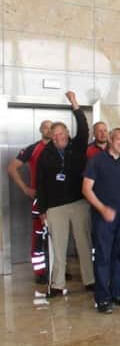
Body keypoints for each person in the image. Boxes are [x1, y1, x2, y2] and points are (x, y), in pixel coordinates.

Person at [36, 91, 95, 296]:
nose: (60, 138)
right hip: (55, 208)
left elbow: (84, 127)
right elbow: (40, 184)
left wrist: (75, 104)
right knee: (58, 248)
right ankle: (58, 284)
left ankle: (90, 280)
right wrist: (42, 210)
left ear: (67, 133)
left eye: (62, 134)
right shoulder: (45, 155)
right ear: (52, 137)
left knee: (84, 244)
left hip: (79, 203)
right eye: (56, 136)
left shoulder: (77, 146)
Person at [82, 128, 120, 313]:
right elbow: (86, 189)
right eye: (119, 139)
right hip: (102, 218)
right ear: (111, 140)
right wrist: (103, 209)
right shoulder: (96, 161)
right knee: (103, 257)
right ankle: (102, 299)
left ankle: (117, 293)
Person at [7, 119, 52, 283]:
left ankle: (55, 268)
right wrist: (25, 189)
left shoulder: (61, 148)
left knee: (57, 237)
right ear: (40, 130)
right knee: (39, 236)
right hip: (39, 200)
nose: (48, 130)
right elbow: (11, 167)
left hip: (57, 201)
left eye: (51, 127)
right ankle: (40, 272)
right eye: (45, 127)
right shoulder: (33, 149)